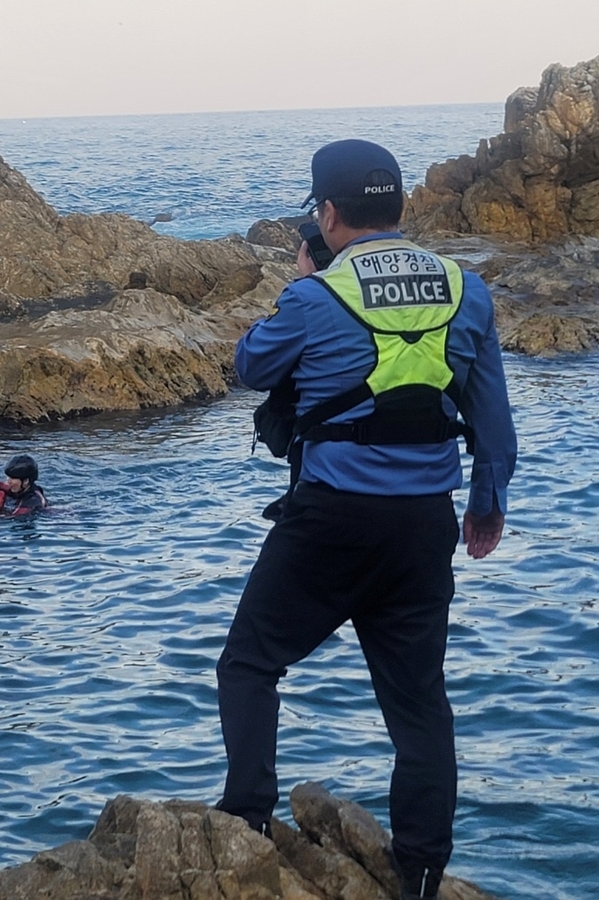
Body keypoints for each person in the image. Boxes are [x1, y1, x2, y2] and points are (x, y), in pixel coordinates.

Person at [216, 139, 517, 900]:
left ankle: (245, 822)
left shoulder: (316, 295)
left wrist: (300, 285)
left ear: (327, 213)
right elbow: (495, 425)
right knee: (419, 705)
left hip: (331, 522)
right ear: (401, 207)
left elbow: (251, 367)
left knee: (250, 663)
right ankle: (418, 873)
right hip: (424, 527)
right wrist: (486, 506)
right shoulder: (467, 290)